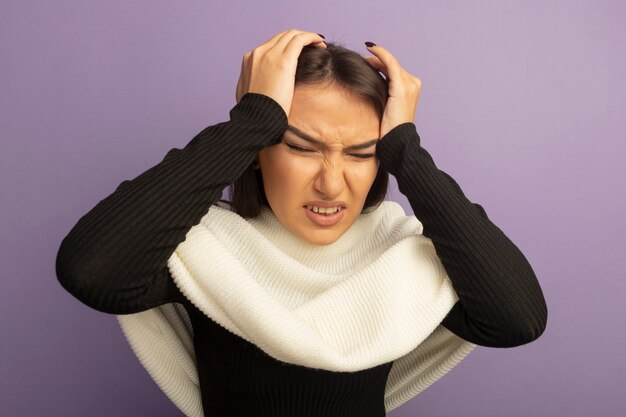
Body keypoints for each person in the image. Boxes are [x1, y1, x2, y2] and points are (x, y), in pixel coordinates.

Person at [55, 29, 548, 417]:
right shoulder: (207, 250)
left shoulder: (398, 254)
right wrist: (248, 121)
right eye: (300, 147)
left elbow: (517, 320)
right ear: (257, 151)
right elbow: (92, 271)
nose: (331, 185)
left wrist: (407, 152)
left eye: (362, 154)